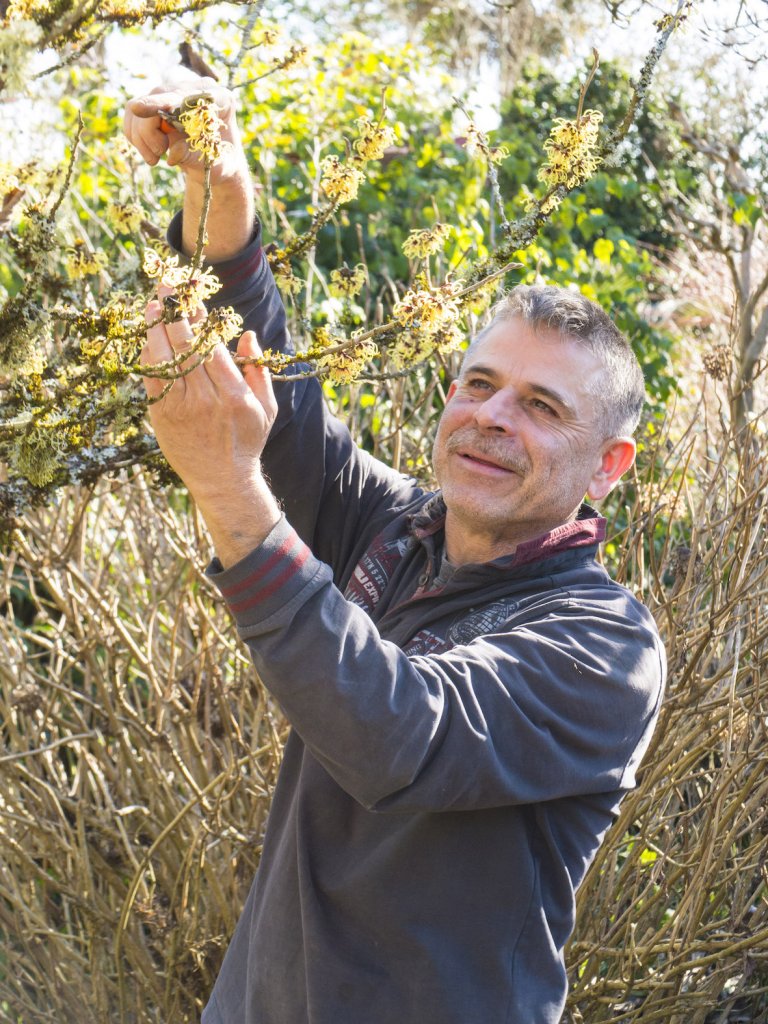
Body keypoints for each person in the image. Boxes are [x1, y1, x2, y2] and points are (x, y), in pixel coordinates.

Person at [125, 74, 666, 1024]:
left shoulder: (604, 650)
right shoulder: (401, 531)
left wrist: (224, 486)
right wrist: (224, 195)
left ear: (608, 464)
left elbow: (400, 735)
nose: (492, 418)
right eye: (480, 383)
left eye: (541, 407)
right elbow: (291, 425)